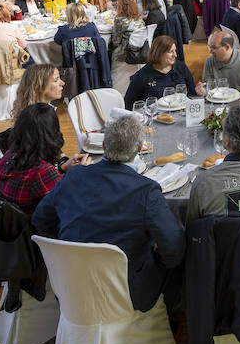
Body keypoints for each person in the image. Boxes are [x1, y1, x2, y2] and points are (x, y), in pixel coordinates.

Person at [31, 113, 185, 312]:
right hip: (124, 296)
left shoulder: (74, 177)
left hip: (72, 289)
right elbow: (173, 250)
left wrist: (66, 248)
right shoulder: (146, 191)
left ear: (103, 146)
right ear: (139, 150)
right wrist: (153, 257)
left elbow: (40, 219)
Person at [0, 104, 91, 213]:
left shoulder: (7, 157)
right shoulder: (42, 173)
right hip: (42, 226)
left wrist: (62, 168)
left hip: (15, 222)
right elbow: (73, 203)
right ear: (51, 135)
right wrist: (82, 173)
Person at [124, 35, 194, 106]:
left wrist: (197, 91)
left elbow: (191, 94)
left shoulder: (181, 67)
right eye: (170, 52)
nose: (175, 55)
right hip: (154, 115)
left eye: (175, 51)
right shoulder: (142, 76)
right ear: (159, 53)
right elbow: (128, 104)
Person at [197, 29, 240, 94]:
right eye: (210, 47)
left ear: (227, 47)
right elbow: (208, 87)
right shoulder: (210, 61)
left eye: (214, 48)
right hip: (218, 101)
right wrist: (202, 90)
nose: (210, 51)